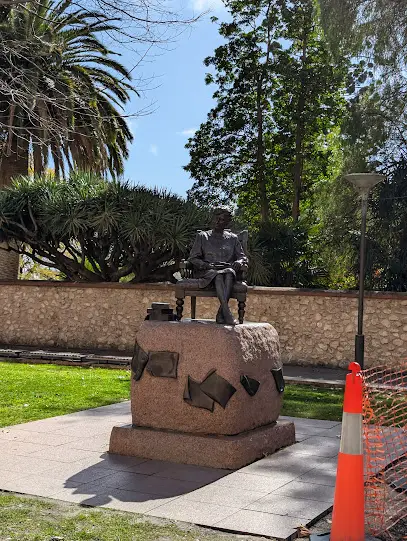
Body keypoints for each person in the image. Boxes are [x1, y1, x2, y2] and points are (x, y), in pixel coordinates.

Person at [188, 208, 248, 325]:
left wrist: (240, 262)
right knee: (219, 275)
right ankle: (226, 313)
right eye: (216, 218)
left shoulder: (232, 239)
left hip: (227, 271)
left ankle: (222, 313)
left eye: (221, 220)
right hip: (207, 271)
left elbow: (243, 257)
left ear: (227, 223)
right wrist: (205, 265)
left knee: (229, 273)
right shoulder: (203, 236)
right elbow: (193, 258)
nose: (217, 222)